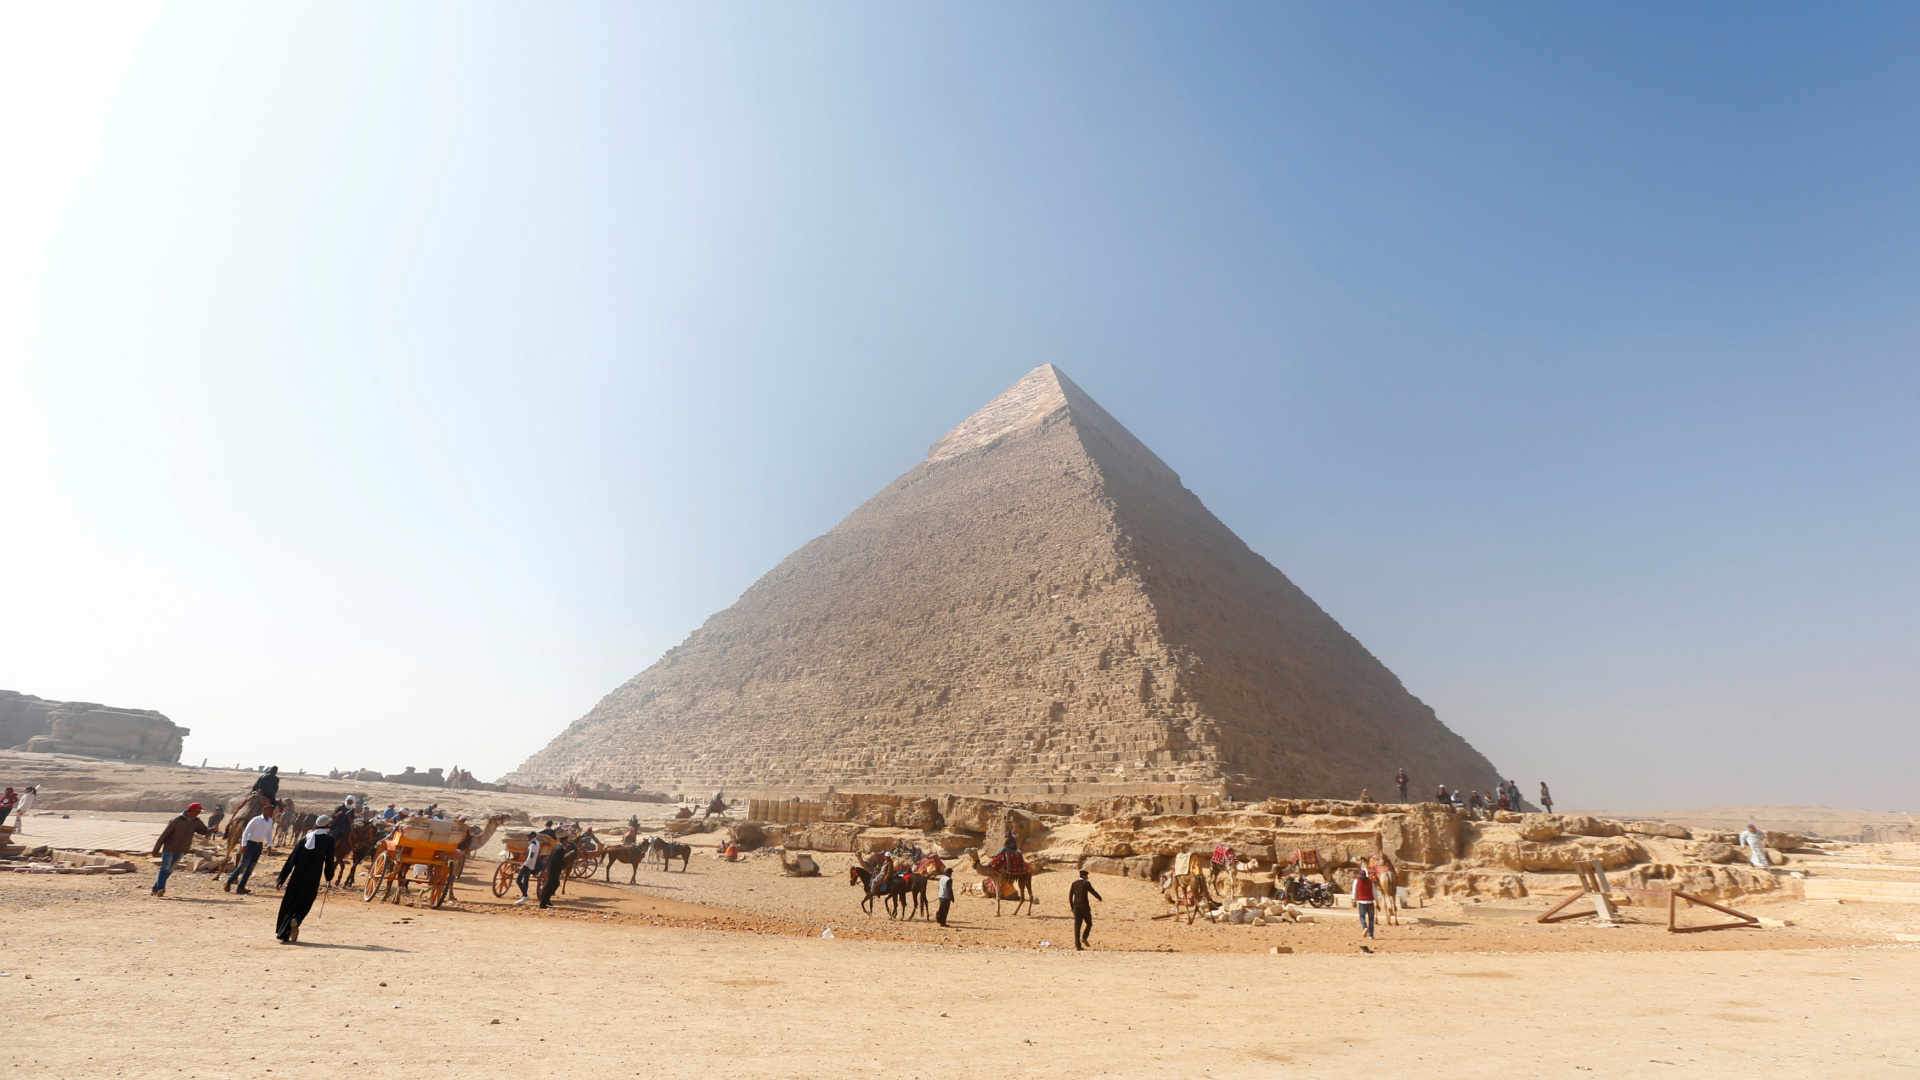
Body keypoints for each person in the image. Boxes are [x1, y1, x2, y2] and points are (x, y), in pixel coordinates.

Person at [274, 815, 337, 943]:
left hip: (296, 876)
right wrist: (329, 877)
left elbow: (291, 860)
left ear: (315, 825)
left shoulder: (304, 839)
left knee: (290, 902)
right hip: (312, 877)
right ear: (327, 826)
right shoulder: (329, 840)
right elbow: (329, 862)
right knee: (306, 901)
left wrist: (281, 879)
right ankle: (297, 918)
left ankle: (283, 934)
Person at [150, 802, 214, 896]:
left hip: (182, 850)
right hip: (169, 848)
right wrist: (156, 848)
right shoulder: (176, 820)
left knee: (170, 869)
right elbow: (165, 834)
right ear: (192, 810)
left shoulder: (196, 821)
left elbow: (203, 831)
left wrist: (213, 829)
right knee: (165, 868)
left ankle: (156, 889)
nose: (199, 813)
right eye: (198, 811)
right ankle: (161, 888)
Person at [225, 802, 276, 894]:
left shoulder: (270, 821)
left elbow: (269, 834)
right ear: (263, 811)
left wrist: (269, 845)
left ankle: (241, 887)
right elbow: (246, 832)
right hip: (250, 844)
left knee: (251, 867)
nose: (270, 812)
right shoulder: (256, 820)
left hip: (259, 846)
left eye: (271, 810)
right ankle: (229, 881)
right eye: (268, 810)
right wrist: (244, 845)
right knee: (244, 865)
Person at [515, 825, 553, 905]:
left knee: (518, 880)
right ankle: (523, 897)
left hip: (528, 865)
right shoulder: (537, 842)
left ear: (532, 836)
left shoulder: (532, 844)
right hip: (532, 865)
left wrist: (524, 865)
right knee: (525, 880)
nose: (528, 838)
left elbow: (530, 856)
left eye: (529, 836)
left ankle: (525, 895)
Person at [1068, 869, 1103, 950]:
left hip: (1076, 907)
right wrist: (1099, 897)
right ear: (1084, 876)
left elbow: (1070, 896)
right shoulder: (1086, 883)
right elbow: (1093, 891)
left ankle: (1078, 946)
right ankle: (1084, 937)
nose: (1088, 877)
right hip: (1084, 907)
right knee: (1089, 923)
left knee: (1077, 927)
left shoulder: (1074, 883)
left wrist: (1072, 907)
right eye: (1087, 876)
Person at [539, 838, 572, 909]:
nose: (567, 842)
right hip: (555, 869)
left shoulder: (556, 847)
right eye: (566, 841)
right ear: (563, 841)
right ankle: (543, 902)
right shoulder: (561, 849)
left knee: (554, 884)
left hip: (552, 868)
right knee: (550, 885)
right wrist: (565, 864)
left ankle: (546, 899)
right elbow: (558, 860)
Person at [1352, 867, 1377, 939]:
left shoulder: (1356, 881)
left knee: (1362, 917)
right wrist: (1377, 903)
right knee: (1371, 919)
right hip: (1370, 902)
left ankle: (1365, 927)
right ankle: (1371, 935)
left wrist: (1354, 900)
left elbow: (1354, 891)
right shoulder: (1370, 882)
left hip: (1361, 902)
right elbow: (1374, 892)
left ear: (1359, 875)